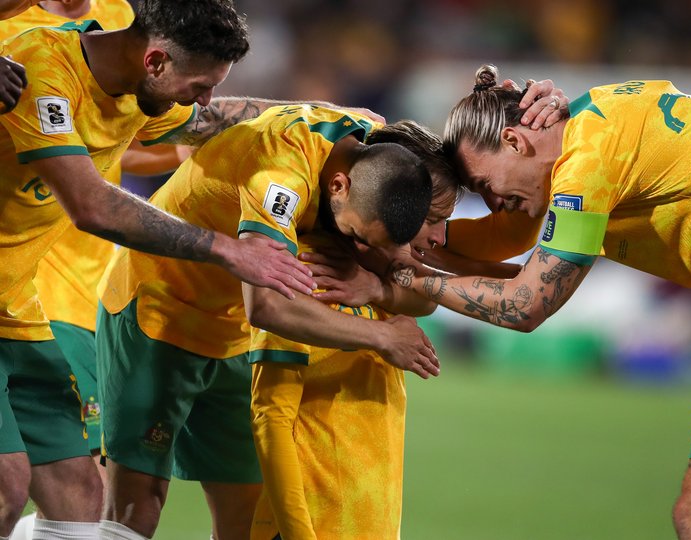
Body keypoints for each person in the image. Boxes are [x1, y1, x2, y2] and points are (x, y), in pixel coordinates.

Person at [390, 64, 691, 540]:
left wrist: (405, 277)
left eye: (486, 186)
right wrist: (415, 235)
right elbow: (507, 235)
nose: (492, 203)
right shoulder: (591, 123)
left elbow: (527, 305)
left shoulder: (587, 161)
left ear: (514, 141)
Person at [0, 1, 320, 537]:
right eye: (199, 84)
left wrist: (309, 116)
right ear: (155, 62)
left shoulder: (132, 89)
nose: (204, 98)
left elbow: (210, 121)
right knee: (7, 490)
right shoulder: (42, 69)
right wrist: (228, 249)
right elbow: (92, 206)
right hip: (33, 300)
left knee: (80, 496)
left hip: (15, 309)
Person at [95, 105, 438, 540]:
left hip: (235, 335)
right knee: (136, 507)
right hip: (158, 313)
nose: (358, 251)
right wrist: (382, 335)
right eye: (354, 237)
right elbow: (267, 306)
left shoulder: (378, 162)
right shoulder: (281, 175)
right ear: (338, 185)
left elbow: (414, 280)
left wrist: (381, 290)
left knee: (244, 517)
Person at [249, 120, 460, 540]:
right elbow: (271, 417)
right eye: (430, 217)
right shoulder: (308, 270)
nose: (438, 236)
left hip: (369, 522)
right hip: (311, 522)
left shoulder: (379, 278)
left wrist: (376, 290)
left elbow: (428, 296)